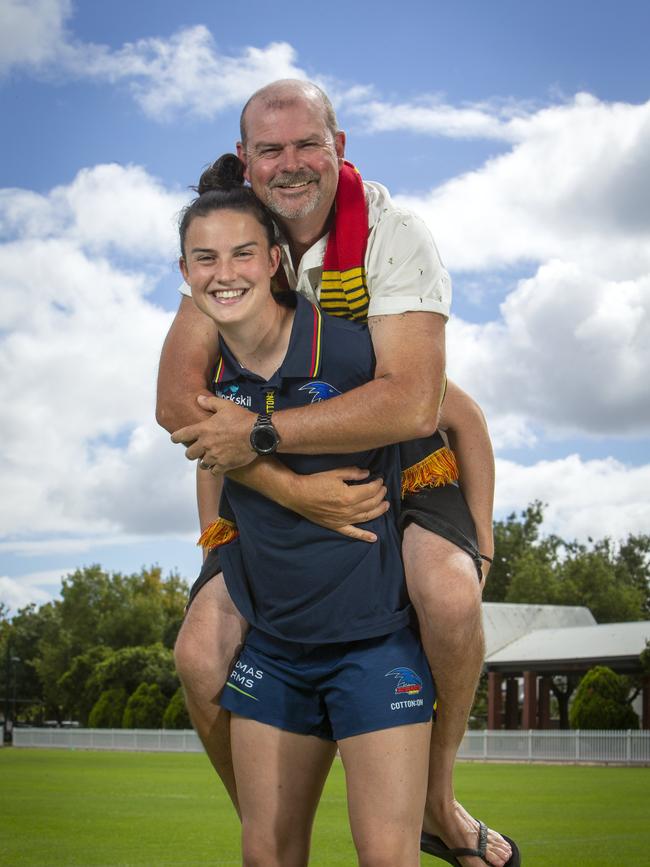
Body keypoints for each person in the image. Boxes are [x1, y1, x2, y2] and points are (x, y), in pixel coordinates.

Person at [158, 80, 519, 867]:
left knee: (449, 594)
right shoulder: (233, 244)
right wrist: (289, 486)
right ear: (247, 163)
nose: (290, 164)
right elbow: (181, 405)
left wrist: (482, 538)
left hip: (402, 453)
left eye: (306, 144)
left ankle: (436, 800)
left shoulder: (392, 236)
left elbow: (425, 405)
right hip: (276, 473)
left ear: (339, 146)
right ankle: (270, 817)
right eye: (270, 149)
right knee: (198, 656)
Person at [179, 154, 435, 866]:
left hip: (374, 646)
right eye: (204, 258)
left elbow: (456, 417)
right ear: (185, 274)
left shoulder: (349, 347)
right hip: (274, 651)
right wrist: (221, 541)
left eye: (239, 253)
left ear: (272, 263)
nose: (223, 272)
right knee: (268, 852)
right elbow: (209, 459)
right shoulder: (207, 381)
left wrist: (479, 544)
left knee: (387, 855)